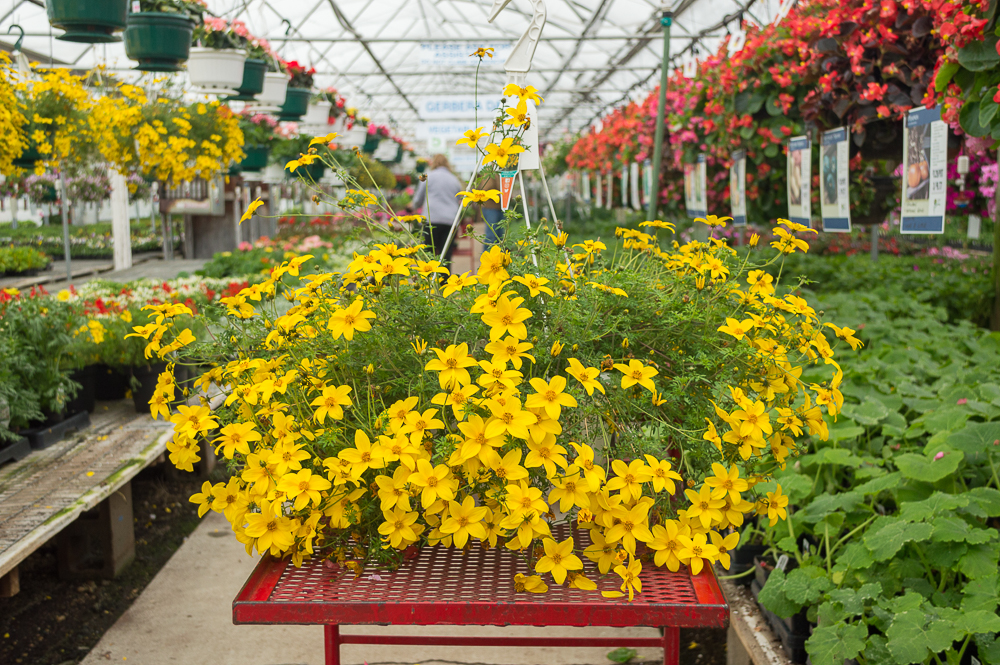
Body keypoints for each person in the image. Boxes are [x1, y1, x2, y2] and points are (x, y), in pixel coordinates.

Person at [411, 154, 463, 271]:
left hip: (431, 219)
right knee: (445, 255)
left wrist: (412, 206)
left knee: (429, 254)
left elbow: (418, 200)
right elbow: (458, 200)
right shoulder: (454, 179)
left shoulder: (428, 177)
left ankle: (430, 283)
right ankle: (444, 285)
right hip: (450, 221)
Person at [480, 173, 504, 249]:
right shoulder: (490, 171)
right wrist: (501, 193)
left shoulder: (501, 171)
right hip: (491, 208)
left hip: (499, 207)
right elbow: (486, 189)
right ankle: (487, 257)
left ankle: (498, 258)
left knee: (500, 237)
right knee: (491, 236)